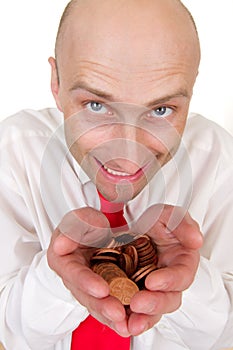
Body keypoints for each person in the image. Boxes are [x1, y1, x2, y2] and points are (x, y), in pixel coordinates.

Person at [0, 0, 232, 349]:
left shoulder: (216, 157)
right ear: (56, 83)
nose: (128, 151)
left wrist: (191, 279)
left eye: (161, 109)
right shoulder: (14, 152)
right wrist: (56, 276)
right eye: (96, 105)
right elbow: (8, 330)